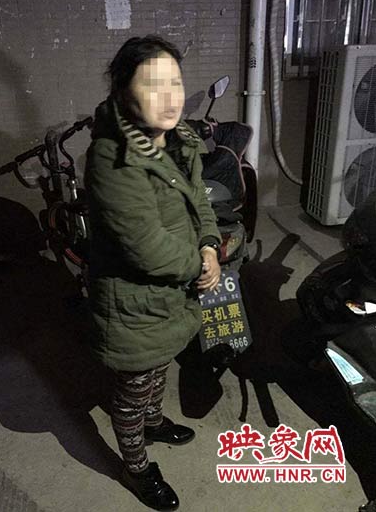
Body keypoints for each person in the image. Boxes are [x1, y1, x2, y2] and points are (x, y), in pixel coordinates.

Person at [84, 35, 222, 511]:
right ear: (123, 90)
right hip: (134, 302)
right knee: (131, 389)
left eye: (175, 83)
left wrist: (209, 245)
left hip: (170, 297)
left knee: (161, 363)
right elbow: (147, 248)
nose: (169, 98)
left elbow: (200, 199)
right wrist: (200, 266)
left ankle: (154, 422)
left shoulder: (179, 139)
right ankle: (136, 466)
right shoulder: (112, 159)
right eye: (152, 85)